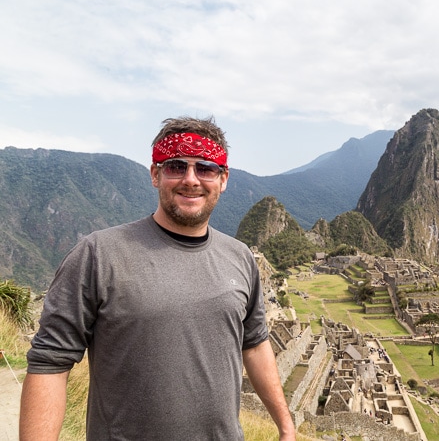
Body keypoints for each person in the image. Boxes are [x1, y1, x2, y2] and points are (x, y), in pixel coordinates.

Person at [19, 116, 296, 440]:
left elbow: (254, 344)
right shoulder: (98, 255)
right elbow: (50, 363)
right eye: (176, 166)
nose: (191, 179)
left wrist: (286, 425)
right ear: (155, 174)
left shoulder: (240, 257)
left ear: (223, 179)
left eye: (205, 168)